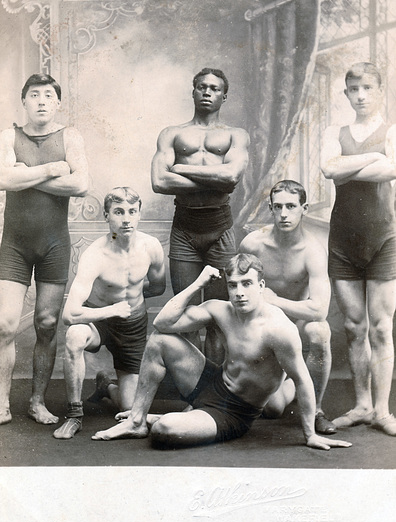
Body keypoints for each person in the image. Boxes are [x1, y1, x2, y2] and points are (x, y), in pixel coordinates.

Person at [91, 254, 351, 451]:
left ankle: (158, 418)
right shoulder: (221, 309)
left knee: (165, 430)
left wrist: (310, 435)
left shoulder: (278, 329)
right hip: (213, 383)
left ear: (261, 285)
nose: (239, 293)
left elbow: (303, 380)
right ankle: (137, 421)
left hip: (234, 412)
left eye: (246, 284)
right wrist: (197, 284)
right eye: (233, 285)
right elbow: (162, 324)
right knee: (160, 340)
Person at [0, 73, 89, 426]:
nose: (41, 101)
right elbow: (3, 179)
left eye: (48, 95)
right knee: (5, 325)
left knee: (47, 324)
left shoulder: (71, 136)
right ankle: (2, 403)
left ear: (57, 102)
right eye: (34, 94)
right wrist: (53, 169)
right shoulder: (9, 136)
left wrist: (27, 174)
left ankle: (37, 401)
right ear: (23, 101)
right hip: (14, 246)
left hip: (54, 244)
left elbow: (81, 184)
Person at [151, 68, 249, 362]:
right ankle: (194, 395)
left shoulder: (236, 134)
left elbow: (231, 177)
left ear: (224, 96)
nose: (207, 92)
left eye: (215, 88)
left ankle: (215, 396)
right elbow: (159, 182)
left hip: (221, 229)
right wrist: (213, 177)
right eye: (202, 87)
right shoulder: (172, 133)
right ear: (193, 91)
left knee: (219, 317)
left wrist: (181, 168)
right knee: (187, 314)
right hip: (185, 229)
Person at [53, 186, 166, 439]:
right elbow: (69, 314)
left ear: (139, 214)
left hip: (133, 324)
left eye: (131, 211)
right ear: (106, 215)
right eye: (118, 212)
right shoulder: (95, 254)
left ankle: (107, 385)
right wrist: (111, 309)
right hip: (99, 320)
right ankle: (74, 414)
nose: (126, 218)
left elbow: (158, 286)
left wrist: (131, 302)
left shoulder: (151, 247)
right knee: (74, 335)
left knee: (128, 408)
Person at [321, 62, 396, 436]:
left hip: (383, 238)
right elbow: (326, 168)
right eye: (353, 89)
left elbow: (392, 170)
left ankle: (382, 410)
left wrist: (345, 166)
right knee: (353, 327)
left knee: (381, 328)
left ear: (380, 91)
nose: (361, 95)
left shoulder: (393, 130)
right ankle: (361, 404)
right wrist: (373, 158)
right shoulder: (335, 131)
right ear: (346, 93)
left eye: (367, 88)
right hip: (343, 239)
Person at [239, 180, 336, 435]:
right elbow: (239, 292)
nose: (284, 214)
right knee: (273, 409)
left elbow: (319, 310)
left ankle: (317, 410)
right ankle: (289, 380)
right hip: (265, 324)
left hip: (297, 320)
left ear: (304, 208)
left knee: (320, 330)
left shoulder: (313, 251)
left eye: (291, 206)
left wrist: (273, 300)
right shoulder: (253, 244)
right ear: (270, 208)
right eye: (278, 206)